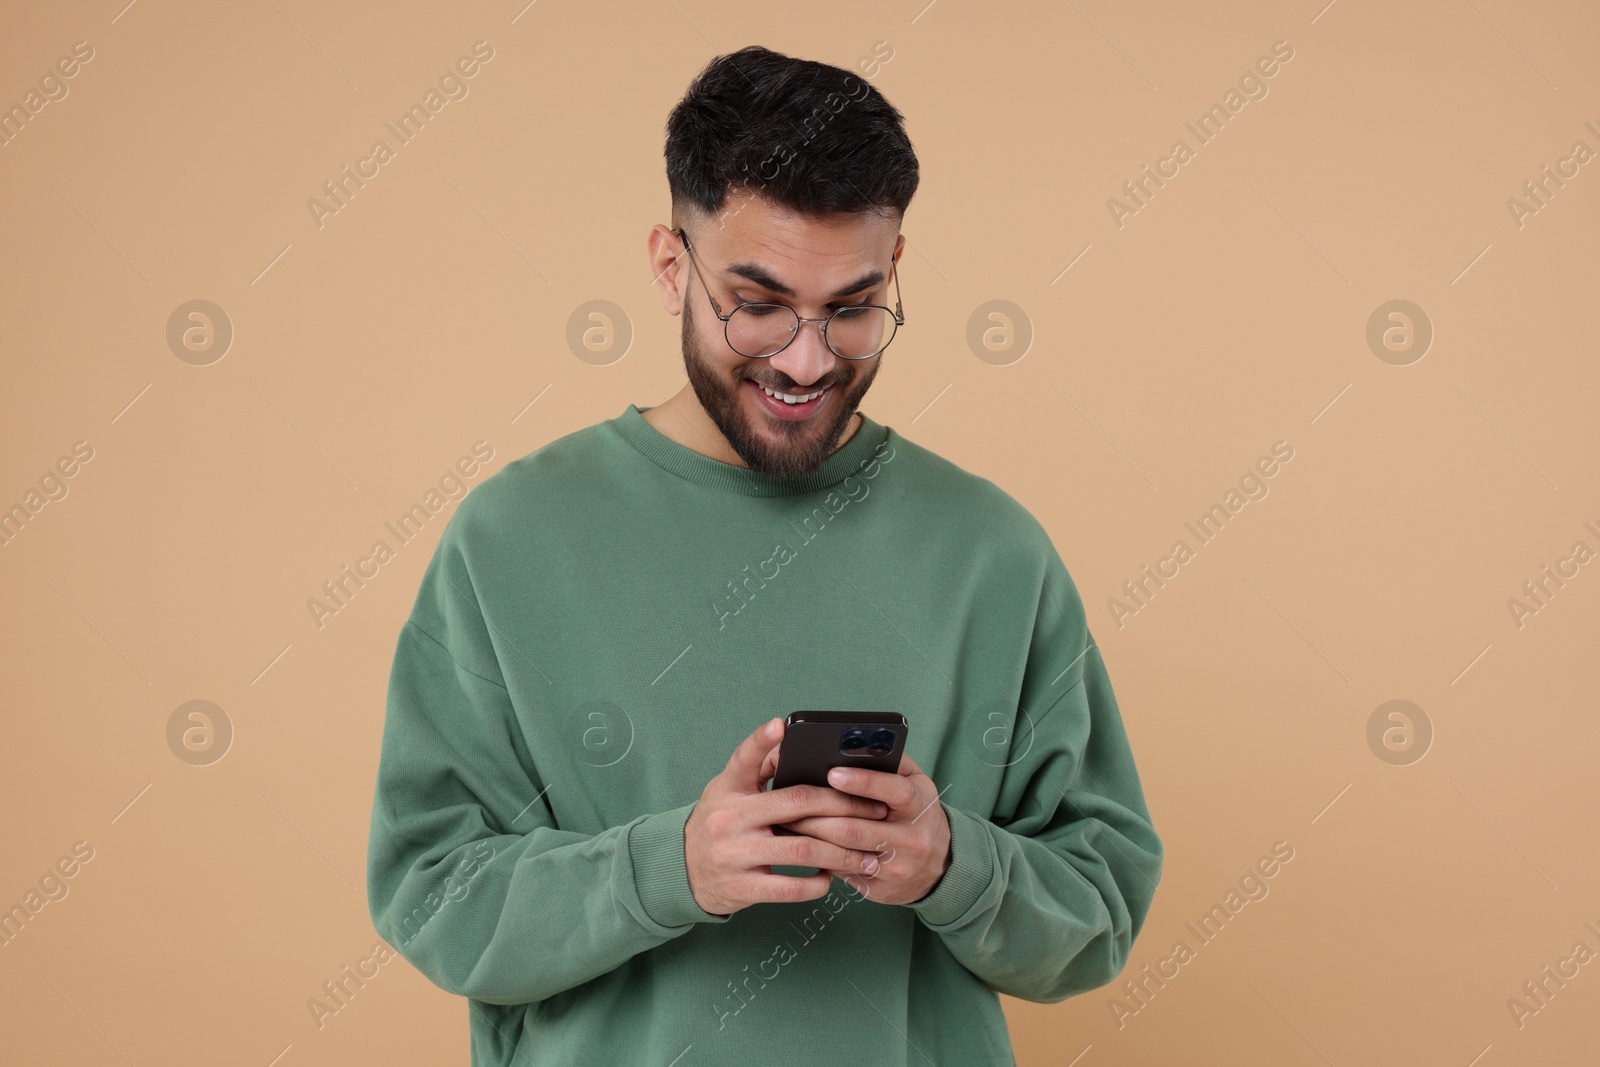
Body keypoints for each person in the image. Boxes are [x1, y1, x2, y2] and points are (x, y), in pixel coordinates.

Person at [366, 44, 1163, 1066]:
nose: (806, 358)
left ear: (895, 273)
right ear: (668, 267)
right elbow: (430, 892)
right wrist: (671, 868)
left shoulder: (991, 551)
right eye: (758, 302)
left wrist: (953, 863)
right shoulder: (512, 538)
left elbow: (1097, 911)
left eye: (852, 308)